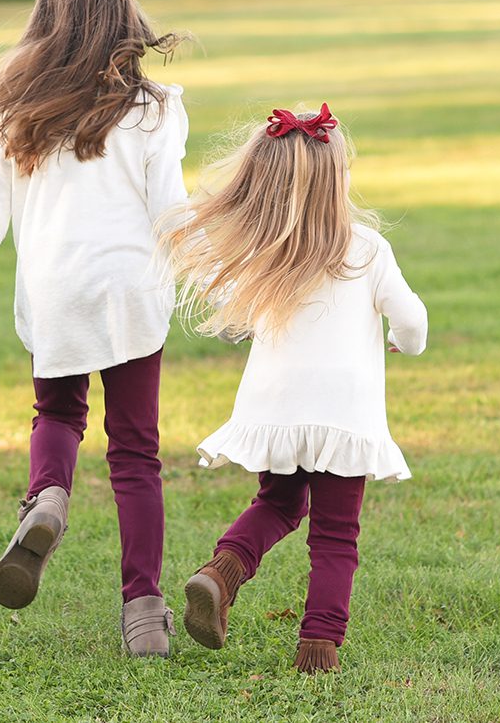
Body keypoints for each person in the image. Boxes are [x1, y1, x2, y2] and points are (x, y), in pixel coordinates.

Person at [0, 0, 188, 657]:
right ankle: (143, 613)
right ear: (123, 11)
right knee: (135, 454)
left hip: (56, 291)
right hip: (130, 291)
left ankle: (47, 497)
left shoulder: (21, 111)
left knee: (60, 413)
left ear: (49, 13)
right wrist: (224, 291)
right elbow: (173, 214)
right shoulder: (154, 108)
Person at [161, 103, 428, 673]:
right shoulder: (367, 249)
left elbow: (224, 309)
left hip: (278, 407)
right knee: (335, 534)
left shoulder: (268, 251)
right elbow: (413, 321)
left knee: (279, 502)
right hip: (343, 415)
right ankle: (319, 647)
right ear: (338, 181)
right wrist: (403, 341)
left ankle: (221, 573)